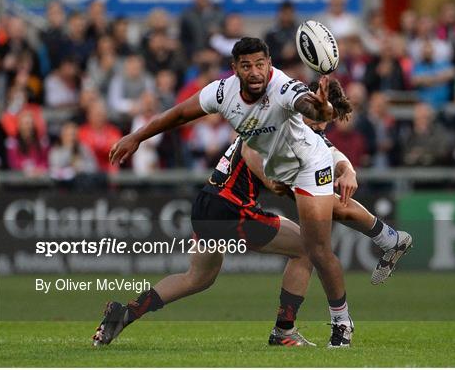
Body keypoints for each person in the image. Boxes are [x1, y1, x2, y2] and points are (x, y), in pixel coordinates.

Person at [103, 37, 400, 348]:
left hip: (207, 204)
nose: (256, 71)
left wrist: (341, 152)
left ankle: (124, 314)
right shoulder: (245, 99)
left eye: (261, 64)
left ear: (269, 64)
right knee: (307, 249)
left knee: (197, 278)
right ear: (236, 70)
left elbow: (320, 130)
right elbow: (223, 136)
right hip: (231, 206)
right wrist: (136, 136)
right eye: (247, 66)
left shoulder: (297, 121)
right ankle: (285, 330)